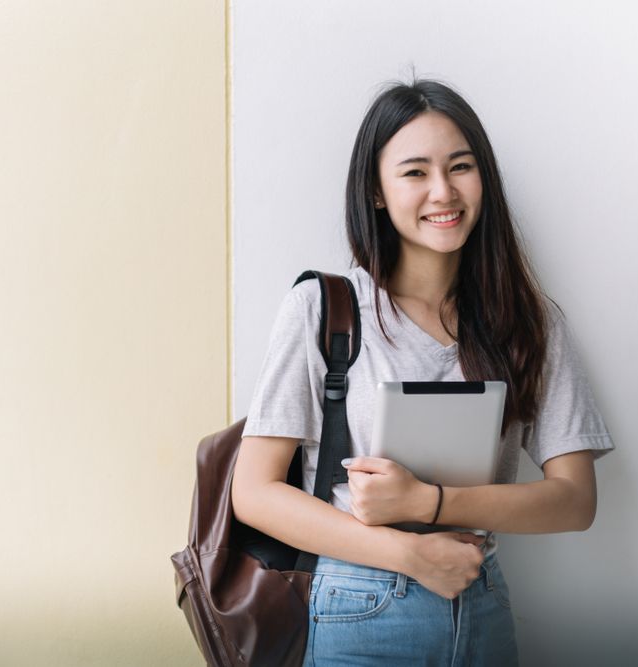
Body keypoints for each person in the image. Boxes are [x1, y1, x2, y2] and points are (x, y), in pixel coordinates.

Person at [230, 79, 615, 666]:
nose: (443, 190)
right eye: (415, 172)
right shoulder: (325, 309)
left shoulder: (528, 322)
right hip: (359, 605)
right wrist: (409, 555)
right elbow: (254, 492)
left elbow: (574, 501)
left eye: (460, 167)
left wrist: (432, 502)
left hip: (480, 600)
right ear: (377, 192)